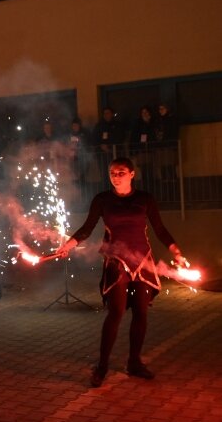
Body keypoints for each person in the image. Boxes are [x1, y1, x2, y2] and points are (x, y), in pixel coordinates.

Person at [56, 157, 185, 388]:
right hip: (116, 263)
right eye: (113, 173)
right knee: (115, 313)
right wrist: (68, 245)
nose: (116, 176)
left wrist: (177, 252)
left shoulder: (144, 199)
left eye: (121, 172)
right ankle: (102, 366)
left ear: (132, 174)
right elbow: (87, 228)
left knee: (141, 314)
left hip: (142, 262)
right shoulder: (102, 200)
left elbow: (160, 229)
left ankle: (134, 362)